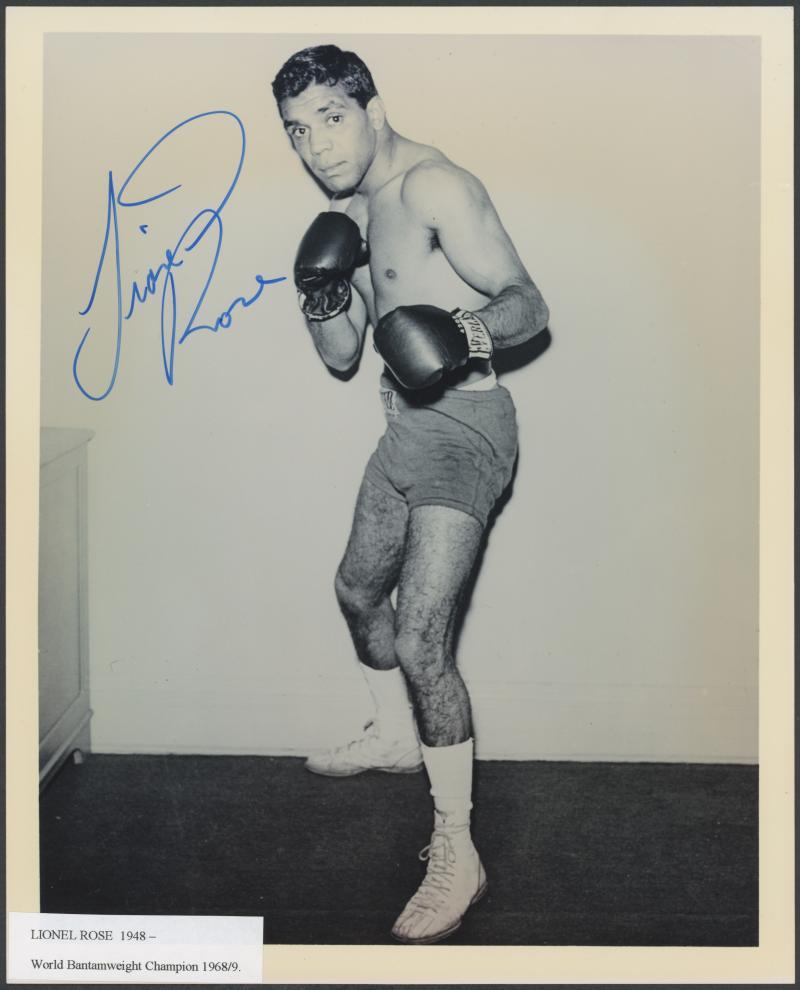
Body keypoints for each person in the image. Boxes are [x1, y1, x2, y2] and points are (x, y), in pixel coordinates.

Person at [272, 44, 549, 945]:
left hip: (467, 429)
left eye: (330, 119)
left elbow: (529, 304)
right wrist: (322, 294)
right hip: (402, 426)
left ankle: (457, 849)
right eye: (297, 132)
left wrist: (461, 330)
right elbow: (344, 356)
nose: (317, 145)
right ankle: (396, 736)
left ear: (373, 109)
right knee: (358, 590)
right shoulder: (348, 213)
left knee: (422, 636)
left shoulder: (435, 187)